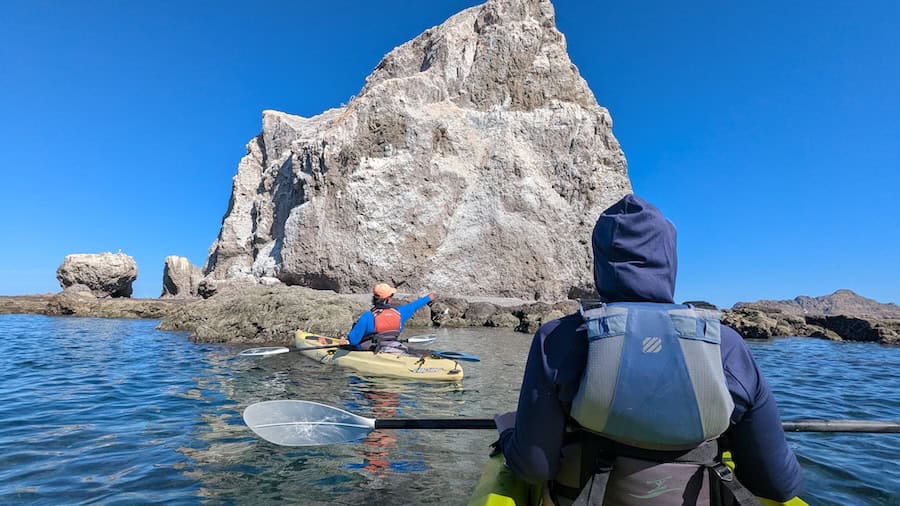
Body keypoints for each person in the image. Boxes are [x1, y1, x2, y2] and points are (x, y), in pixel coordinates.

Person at [495, 194, 804, 505]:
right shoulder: (726, 344)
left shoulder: (557, 338)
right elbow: (778, 484)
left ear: (599, 262)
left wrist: (509, 434)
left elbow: (535, 467)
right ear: (670, 259)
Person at [340, 283, 434, 353]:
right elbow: (414, 305)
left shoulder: (368, 316)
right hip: (393, 346)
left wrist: (345, 342)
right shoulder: (399, 313)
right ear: (388, 299)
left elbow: (353, 341)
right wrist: (428, 298)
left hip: (370, 350)